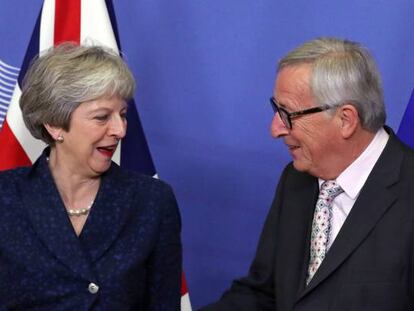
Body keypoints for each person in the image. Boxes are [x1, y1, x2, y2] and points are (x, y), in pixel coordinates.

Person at [201, 37, 414, 310]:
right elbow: (263, 294)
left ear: (345, 119)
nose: (275, 129)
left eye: (287, 113)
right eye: (276, 110)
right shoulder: (296, 180)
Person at [0, 43, 182, 310]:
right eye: (102, 117)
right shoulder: (6, 198)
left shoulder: (152, 202)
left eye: (122, 114)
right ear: (54, 124)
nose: (120, 130)